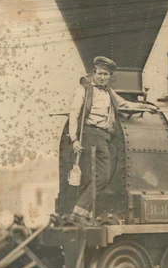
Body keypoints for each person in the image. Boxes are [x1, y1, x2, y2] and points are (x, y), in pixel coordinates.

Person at [63, 56, 149, 222]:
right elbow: (74, 115)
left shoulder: (110, 93)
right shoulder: (83, 90)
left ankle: (84, 213)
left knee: (97, 176)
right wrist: (74, 140)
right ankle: (78, 213)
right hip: (89, 135)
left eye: (106, 74)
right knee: (102, 176)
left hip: (103, 137)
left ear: (110, 77)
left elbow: (124, 105)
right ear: (94, 73)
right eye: (100, 73)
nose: (102, 77)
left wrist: (145, 107)